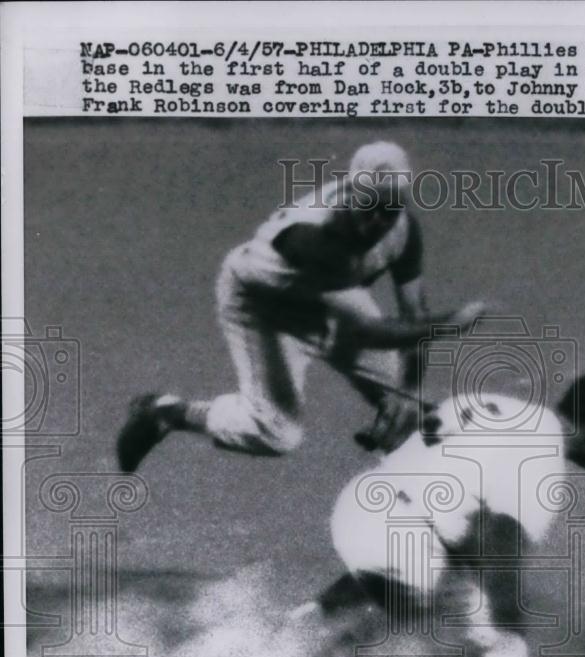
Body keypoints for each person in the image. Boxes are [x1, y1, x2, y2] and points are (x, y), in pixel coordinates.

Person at [116, 142, 486, 471]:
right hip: (261, 304)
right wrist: (452, 323)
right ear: (350, 191)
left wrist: (407, 393)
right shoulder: (314, 237)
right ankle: (165, 412)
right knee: (276, 433)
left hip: (330, 296)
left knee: (408, 408)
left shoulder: (402, 230)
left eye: (388, 210)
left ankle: (418, 507)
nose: (376, 222)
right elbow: (365, 334)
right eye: (368, 205)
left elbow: (413, 317)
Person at [318, 372, 585, 657]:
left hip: (364, 506)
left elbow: (413, 433)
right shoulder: (544, 459)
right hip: (405, 532)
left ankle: (297, 633)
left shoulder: (491, 404)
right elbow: (503, 547)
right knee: (484, 638)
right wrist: (511, 636)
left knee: (440, 580)